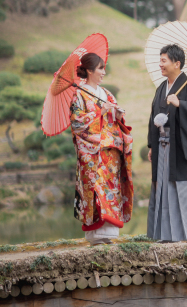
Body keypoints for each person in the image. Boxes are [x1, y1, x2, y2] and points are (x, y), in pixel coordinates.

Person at [147, 44, 187, 243]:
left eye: (164, 60)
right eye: (160, 60)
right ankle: (165, 235)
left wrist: (181, 104)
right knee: (163, 187)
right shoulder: (160, 89)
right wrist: (150, 145)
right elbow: (152, 117)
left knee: (182, 187)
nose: (160, 64)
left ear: (177, 63)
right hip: (162, 146)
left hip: (181, 147)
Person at [70, 53, 133, 246]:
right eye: (100, 68)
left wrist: (118, 115)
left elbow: (113, 121)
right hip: (92, 153)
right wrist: (99, 112)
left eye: (104, 68)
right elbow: (77, 123)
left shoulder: (106, 93)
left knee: (111, 189)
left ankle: (110, 233)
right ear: (89, 70)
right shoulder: (79, 94)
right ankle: (96, 235)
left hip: (111, 151)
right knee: (95, 189)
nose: (103, 72)